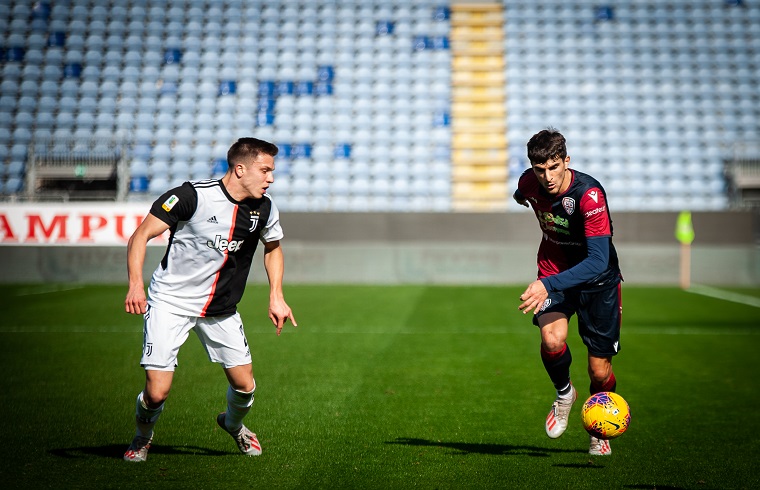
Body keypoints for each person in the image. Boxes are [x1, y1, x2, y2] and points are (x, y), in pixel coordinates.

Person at [123, 137, 297, 462]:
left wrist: (277, 296)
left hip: (220, 309)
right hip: (169, 302)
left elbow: (273, 247)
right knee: (157, 391)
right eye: (266, 170)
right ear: (240, 168)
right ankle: (142, 437)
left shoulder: (265, 208)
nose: (271, 178)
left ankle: (233, 426)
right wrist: (135, 285)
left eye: (272, 171)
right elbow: (140, 235)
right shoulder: (191, 196)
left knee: (245, 386)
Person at [512, 128, 622, 456]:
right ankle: (564, 395)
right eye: (539, 169)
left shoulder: (589, 196)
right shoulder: (528, 184)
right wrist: (549, 278)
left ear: (566, 161)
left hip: (597, 282)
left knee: (599, 370)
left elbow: (598, 261)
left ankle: (598, 425)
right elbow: (522, 195)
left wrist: (545, 284)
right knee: (551, 340)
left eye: (554, 167)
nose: (547, 177)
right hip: (554, 270)